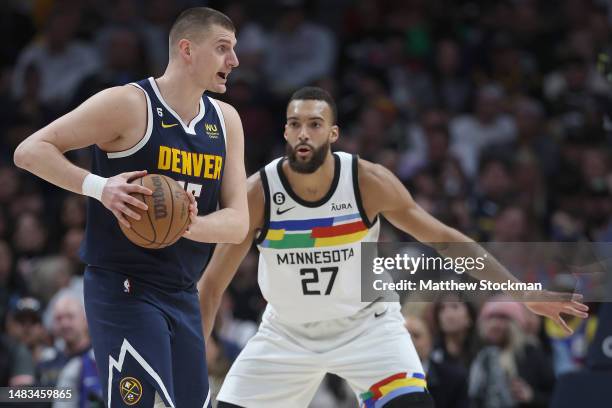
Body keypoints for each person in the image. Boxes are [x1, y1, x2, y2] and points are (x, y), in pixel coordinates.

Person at [198, 86, 587, 408]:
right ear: (285, 132)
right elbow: (212, 285)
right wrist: (193, 356)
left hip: (367, 327)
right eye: (295, 124)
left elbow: (447, 240)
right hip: (287, 334)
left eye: (315, 124)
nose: (304, 133)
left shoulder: (367, 182)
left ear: (333, 134)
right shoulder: (258, 193)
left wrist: (523, 293)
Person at [14, 7, 248, 408]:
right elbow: (29, 151)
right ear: (187, 49)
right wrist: (99, 187)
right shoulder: (129, 104)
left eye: (235, 49)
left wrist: (185, 224)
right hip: (124, 286)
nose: (235, 61)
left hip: (182, 289)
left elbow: (238, 222)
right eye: (223, 48)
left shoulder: (226, 120)